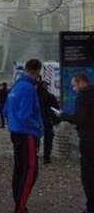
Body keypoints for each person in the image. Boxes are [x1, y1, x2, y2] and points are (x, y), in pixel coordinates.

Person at [3, 58, 44, 213]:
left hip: (15, 132)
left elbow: (5, 111)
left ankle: (20, 204)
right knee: (30, 171)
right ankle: (20, 207)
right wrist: (39, 126)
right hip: (27, 134)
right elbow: (25, 114)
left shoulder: (16, 87)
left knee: (19, 170)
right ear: (37, 72)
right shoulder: (28, 88)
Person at [60, 72, 94, 213]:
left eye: (74, 85)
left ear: (81, 82)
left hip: (88, 140)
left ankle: (91, 207)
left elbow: (79, 118)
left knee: (88, 175)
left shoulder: (83, 96)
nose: (74, 89)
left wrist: (63, 116)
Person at [37, 81, 60, 164]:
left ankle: (35, 155)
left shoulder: (34, 96)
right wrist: (56, 121)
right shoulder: (50, 96)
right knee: (48, 140)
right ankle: (46, 157)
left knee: (36, 139)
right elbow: (55, 110)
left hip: (36, 120)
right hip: (47, 120)